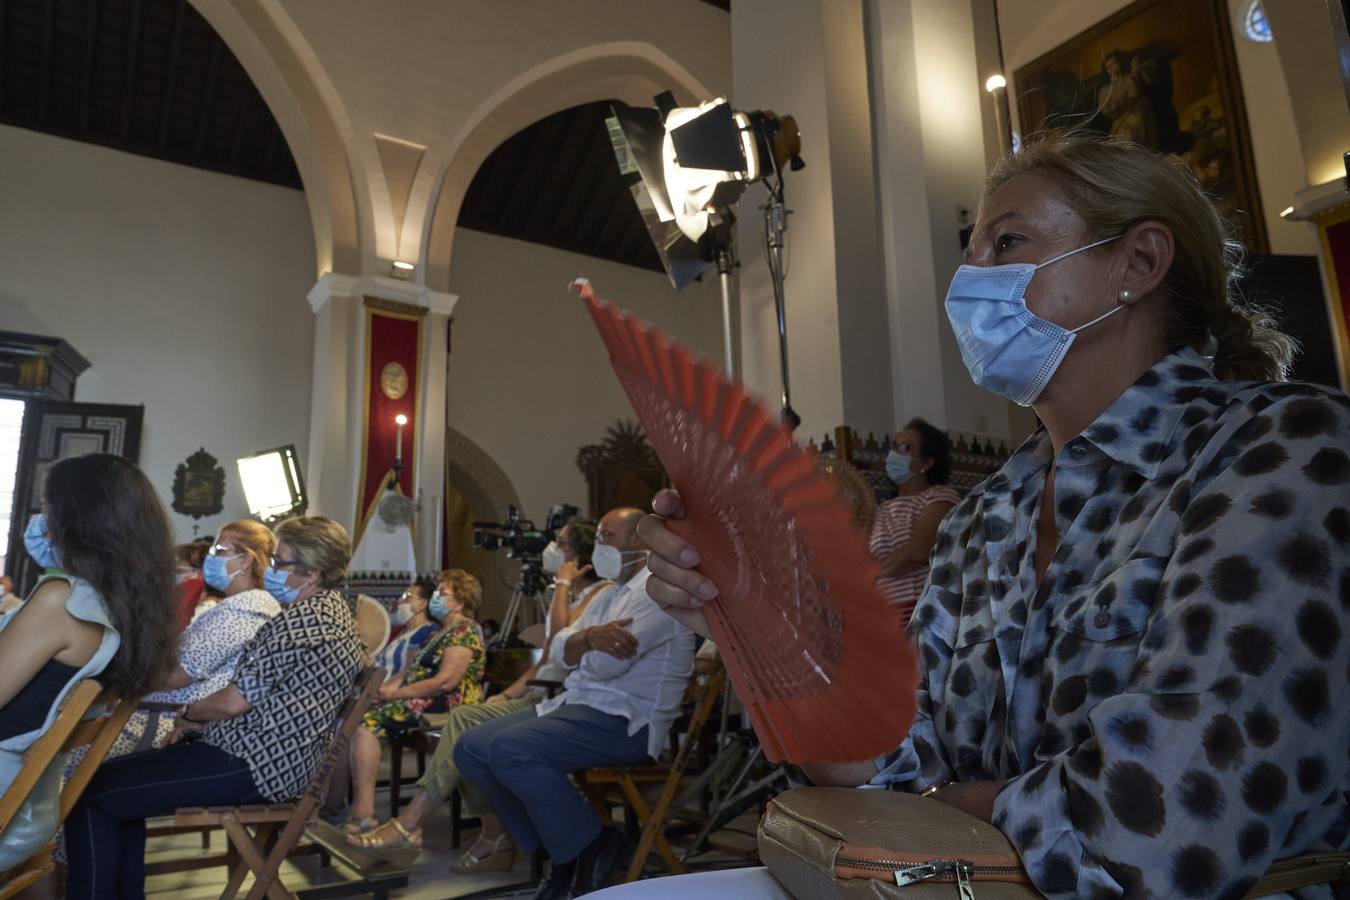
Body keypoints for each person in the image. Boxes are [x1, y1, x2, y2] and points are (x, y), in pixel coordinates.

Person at [629, 132, 1350, 898]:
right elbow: (887, 761)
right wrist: (755, 620)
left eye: (1007, 242)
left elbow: (1157, 827)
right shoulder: (987, 517)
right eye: (969, 254)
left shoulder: (1282, 445)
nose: (970, 281)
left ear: (1138, 263)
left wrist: (948, 807)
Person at [64, 516, 364, 900]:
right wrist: (197, 724)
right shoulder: (335, 614)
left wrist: (188, 716)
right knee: (111, 788)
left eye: (279, 563)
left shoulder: (301, 622)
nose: (270, 570)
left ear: (312, 573)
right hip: (272, 758)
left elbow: (233, 701)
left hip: (254, 764)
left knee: (91, 792)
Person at [454, 508, 697, 899]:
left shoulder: (656, 592)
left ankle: (588, 848)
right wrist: (586, 640)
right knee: (471, 748)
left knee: (510, 749)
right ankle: (570, 849)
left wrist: (582, 645)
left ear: (639, 540)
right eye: (598, 536)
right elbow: (559, 652)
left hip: (627, 721)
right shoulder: (610, 593)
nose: (599, 545)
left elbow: (602, 666)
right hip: (579, 704)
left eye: (608, 536)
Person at [347, 517, 612, 872]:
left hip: (563, 698)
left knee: (465, 726)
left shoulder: (599, 594)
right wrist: (504, 697)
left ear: (581, 554)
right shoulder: (571, 596)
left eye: (562, 544)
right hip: (540, 692)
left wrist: (562, 582)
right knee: (469, 732)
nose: (554, 550)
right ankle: (492, 833)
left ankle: (411, 823)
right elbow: (546, 660)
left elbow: (560, 646)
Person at [0, 454, 178, 873]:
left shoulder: (61, 599)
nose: (43, 520)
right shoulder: (124, 607)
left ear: (77, 520)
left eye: (48, 508)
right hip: (29, 807)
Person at [344, 569, 486, 834]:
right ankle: (345, 807)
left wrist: (395, 694)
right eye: (436, 592)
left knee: (367, 723)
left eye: (443, 593)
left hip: (450, 703)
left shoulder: (465, 629)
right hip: (425, 697)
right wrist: (380, 691)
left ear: (461, 601)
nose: (436, 597)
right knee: (359, 711)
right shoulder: (437, 633)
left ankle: (363, 813)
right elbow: (408, 673)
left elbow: (445, 682)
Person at [125, 520, 281, 751]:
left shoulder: (243, 611)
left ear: (245, 560)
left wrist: (122, 678)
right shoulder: (242, 606)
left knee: (69, 756)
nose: (211, 558)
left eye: (219, 551)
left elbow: (177, 674)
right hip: (161, 714)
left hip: (164, 722)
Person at [872, 419, 960, 626]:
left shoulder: (941, 497)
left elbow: (918, 551)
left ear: (927, 462)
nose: (894, 454)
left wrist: (870, 572)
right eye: (894, 446)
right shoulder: (880, 510)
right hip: (885, 621)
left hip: (924, 616)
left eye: (905, 447)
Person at [375, 578, 438, 673]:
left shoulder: (426, 632)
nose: (400, 601)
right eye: (402, 596)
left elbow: (410, 671)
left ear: (422, 604)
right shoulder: (403, 631)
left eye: (407, 596)